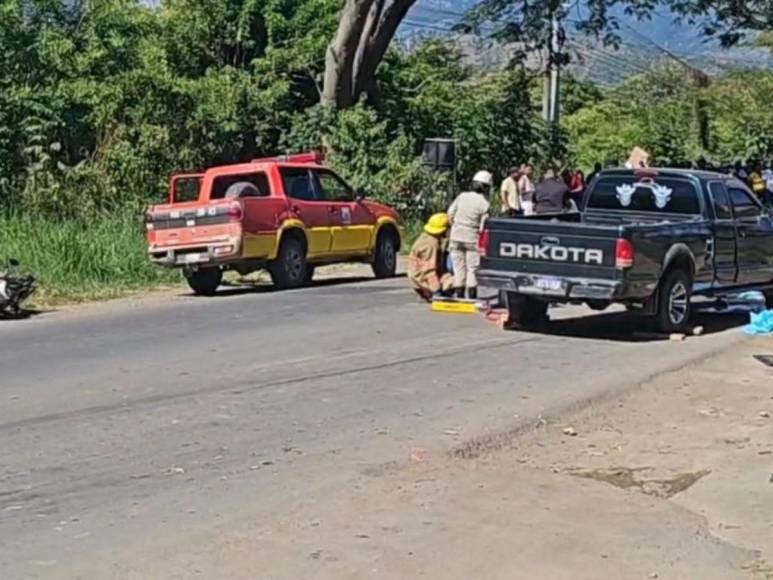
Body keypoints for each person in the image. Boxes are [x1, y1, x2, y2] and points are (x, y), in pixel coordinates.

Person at [448, 170, 492, 300]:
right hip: (472, 237)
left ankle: (458, 294)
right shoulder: (484, 204)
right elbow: (483, 226)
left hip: (456, 236)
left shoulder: (462, 196)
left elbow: (450, 214)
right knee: (472, 268)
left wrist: (455, 227)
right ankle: (471, 296)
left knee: (458, 268)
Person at [407, 213, 454, 302]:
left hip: (415, 276)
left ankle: (427, 292)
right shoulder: (432, 245)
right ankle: (432, 292)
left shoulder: (425, 237)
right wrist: (437, 290)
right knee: (454, 281)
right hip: (422, 278)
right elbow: (429, 271)